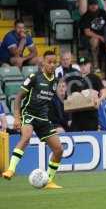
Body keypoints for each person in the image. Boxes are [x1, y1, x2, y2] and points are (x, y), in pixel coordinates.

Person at [2, 51, 64, 189]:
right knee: (26, 137)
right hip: (28, 114)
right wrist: (17, 117)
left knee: (59, 149)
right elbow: (18, 97)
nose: (52, 65)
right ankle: (11, 170)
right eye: (49, 62)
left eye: (55, 62)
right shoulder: (34, 77)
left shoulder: (55, 80)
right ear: (43, 62)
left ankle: (48, 181)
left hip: (43, 118)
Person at [69, 56, 106, 132]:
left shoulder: (95, 78)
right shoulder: (74, 79)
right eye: (81, 65)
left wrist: (99, 100)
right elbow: (70, 97)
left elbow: (104, 92)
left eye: (85, 64)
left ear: (89, 64)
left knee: (91, 136)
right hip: (76, 116)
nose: (83, 67)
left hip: (90, 115)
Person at [80, 0, 106, 71]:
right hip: (88, 38)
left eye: (95, 4)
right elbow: (87, 32)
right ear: (88, 6)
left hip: (103, 35)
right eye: (91, 5)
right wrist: (100, 37)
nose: (93, 6)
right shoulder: (85, 16)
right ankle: (95, 62)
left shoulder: (103, 13)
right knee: (95, 40)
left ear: (98, 5)